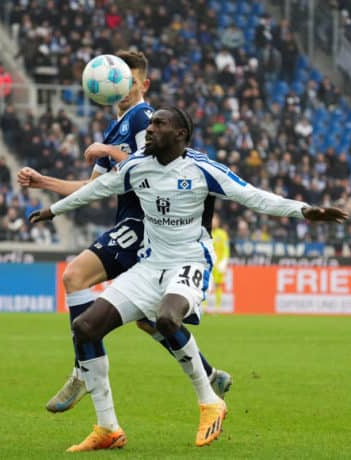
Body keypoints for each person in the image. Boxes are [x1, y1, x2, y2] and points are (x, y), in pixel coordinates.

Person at [28, 107, 350, 451]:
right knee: (85, 328)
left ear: (180, 134)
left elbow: (253, 196)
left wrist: (303, 210)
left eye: (159, 125)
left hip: (190, 260)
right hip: (150, 265)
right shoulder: (137, 166)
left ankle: (210, 400)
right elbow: (98, 189)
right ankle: (108, 428)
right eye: (149, 124)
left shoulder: (203, 169)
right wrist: (52, 210)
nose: (149, 130)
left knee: (167, 318)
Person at [16, 51, 231, 417]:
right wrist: (43, 183)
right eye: (116, 82)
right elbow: (93, 187)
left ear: (143, 85)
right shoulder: (117, 127)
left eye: (129, 83)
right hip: (130, 226)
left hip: (144, 227)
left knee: (75, 276)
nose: (122, 89)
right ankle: (208, 373)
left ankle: (82, 369)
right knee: (150, 321)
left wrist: (107, 150)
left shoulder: (144, 118)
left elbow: (149, 159)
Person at [210, 213, 229, 310]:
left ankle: (217, 308)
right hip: (208, 264)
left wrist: (224, 262)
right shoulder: (206, 233)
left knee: (218, 286)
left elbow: (226, 249)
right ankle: (204, 308)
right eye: (212, 219)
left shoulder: (222, 234)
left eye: (215, 220)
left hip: (218, 265)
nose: (214, 222)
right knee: (206, 286)